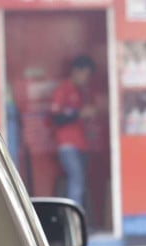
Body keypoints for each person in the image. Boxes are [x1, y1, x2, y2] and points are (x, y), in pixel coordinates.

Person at [50, 55, 97, 215]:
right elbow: (56, 118)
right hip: (67, 146)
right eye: (85, 74)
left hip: (81, 145)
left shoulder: (81, 92)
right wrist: (79, 114)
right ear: (77, 71)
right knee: (76, 182)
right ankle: (74, 222)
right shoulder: (63, 89)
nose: (86, 78)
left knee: (80, 182)